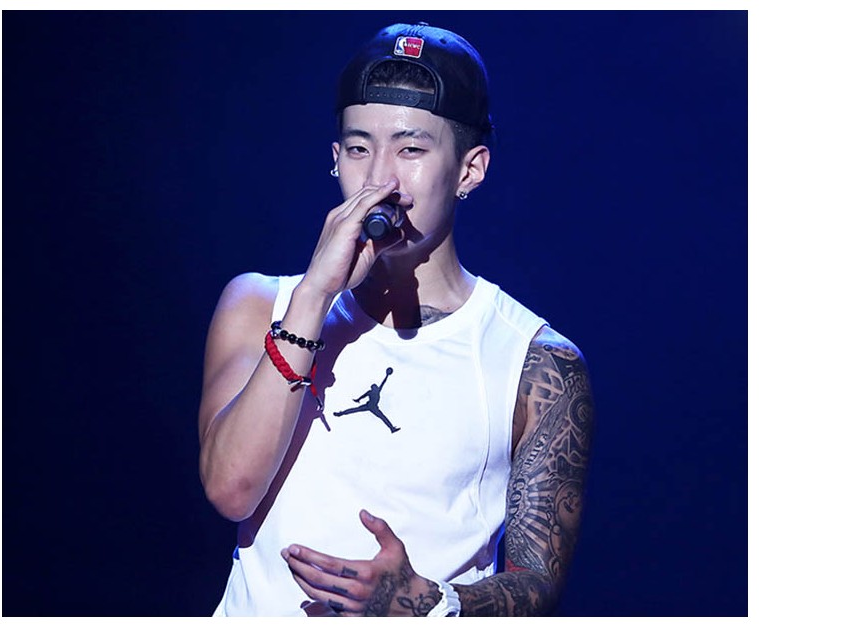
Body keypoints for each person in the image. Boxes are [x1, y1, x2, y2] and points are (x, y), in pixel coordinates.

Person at [198, 22, 595, 617]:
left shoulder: (534, 361)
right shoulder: (260, 304)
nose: (380, 180)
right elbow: (231, 490)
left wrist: (424, 600)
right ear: (335, 159)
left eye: (411, 150)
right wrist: (315, 295)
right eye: (360, 148)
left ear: (469, 170)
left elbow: (537, 584)